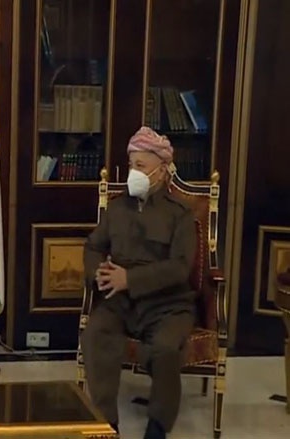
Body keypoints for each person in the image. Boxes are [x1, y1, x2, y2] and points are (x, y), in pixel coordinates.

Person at [81, 126, 197, 439]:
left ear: (161, 170)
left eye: (141, 166)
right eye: (131, 165)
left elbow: (180, 267)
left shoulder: (180, 215)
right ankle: (107, 426)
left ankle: (157, 428)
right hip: (119, 302)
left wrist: (129, 279)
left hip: (168, 305)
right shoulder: (117, 208)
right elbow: (93, 246)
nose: (134, 173)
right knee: (95, 335)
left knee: (165, 349)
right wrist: (99, 273)